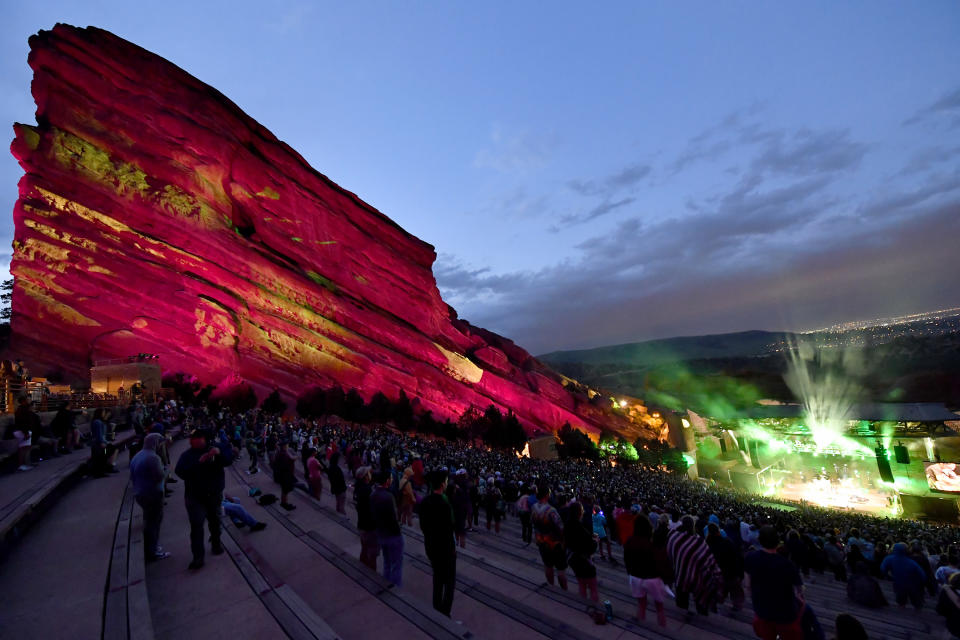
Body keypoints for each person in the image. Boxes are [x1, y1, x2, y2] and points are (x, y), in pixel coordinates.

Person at [175, 428, 234, 570]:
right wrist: (198, 463)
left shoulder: (216, 448)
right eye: (193, 439)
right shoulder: (187, 455)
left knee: (215, 521)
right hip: (195, 497)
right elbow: (180, 471)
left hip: (214, 494)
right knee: (196, 526)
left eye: (198, 438)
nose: (194, 441)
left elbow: (229, 459)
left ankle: (216, 544)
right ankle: (198, 557)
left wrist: (219, 455)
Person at [744, 525, 804, 640]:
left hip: (762, 609)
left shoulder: (750, 557)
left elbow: (747, 585)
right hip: (786, 613)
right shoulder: (788, 565)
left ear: (760, 541)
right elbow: (799, 590)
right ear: (778, 542)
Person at [667, 515, 723, 616]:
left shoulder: (674, 537)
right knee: (699, 594)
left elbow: (670, 553)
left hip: (680, 574)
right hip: (695, 576)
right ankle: (700, 612)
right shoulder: (699, 542)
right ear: (693, 526)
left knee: (681, 598)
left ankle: (683, 613)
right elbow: (708, 560)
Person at [419, 469, 457, 616]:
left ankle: (436, 609)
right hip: (446, 550)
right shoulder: (444, 504)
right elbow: (449, 529)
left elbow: (423, 526)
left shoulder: (425, 501)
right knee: (449, 582)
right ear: (442, 484)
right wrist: (452, 549)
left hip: (431, 546)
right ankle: (445, 612)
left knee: (437, 578)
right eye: (446, 481)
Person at [129, 433, 170, 562]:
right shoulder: (153, 458)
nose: (162, 446)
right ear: (156, 443)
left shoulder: (138, 455)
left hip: (140, 494)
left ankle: (151, 549)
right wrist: (166, 470)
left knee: (149, 521)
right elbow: (160, 476)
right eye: (161, 443)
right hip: (152, 495)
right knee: (154, 523)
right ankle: (153, 551)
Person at [624, 512, 669, 627]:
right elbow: (657, 563)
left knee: (641, 605)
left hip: (635, 576)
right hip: (651, 578)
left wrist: (630, 572)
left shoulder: (630, 541)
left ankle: (641, 629)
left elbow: (626, 560)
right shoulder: (650, 544)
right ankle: (662, 632)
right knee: (659, 608)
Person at [531, 485, 568, 590]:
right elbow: (560, 527)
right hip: (554, 543)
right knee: (560, 570)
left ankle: (551, 587)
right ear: (547, 495)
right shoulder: (551, 510)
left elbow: (533, 522)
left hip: (541, 541)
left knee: (548, 565)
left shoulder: (533, 507)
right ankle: (564, 591)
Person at [371, 470, 404, 586]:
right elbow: (394, 517)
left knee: (387, 562)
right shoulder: (388, 497)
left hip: (381, 533)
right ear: (387, 481)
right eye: (390, 478)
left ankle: (385, 583)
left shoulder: (373, 494)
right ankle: (395, 588)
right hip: (393, 534)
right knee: (396, 564)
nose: (392, 480)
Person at [707, 521, 745, 611]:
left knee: (718, 592)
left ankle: (713, 606)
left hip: (718, 574)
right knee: (735, 592)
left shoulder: (708, 543)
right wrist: (740, 573)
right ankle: (736, 607)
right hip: (730, 573)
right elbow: (737, 558)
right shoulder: (727, 542)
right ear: (718, 531)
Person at [565, 502, 599, 602]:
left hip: (572, 560)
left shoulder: (567, 524)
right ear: (579, 513)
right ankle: (595, 608)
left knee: (581, 584)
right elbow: (590, 548)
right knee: (593, 588)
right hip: (583, 561)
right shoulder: (580, 529)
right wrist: (595, 541)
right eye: (582, 510)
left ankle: (583, 605)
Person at [880, 542, 927, 610]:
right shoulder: (911, 562)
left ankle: (902, 611)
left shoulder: (889, 559)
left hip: (898, 583)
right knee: (916, 601)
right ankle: (918, 610)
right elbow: (922, 575)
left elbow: (882, 569)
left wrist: (888, 576)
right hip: (912, 584)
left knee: (901, 600)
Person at [353, 466, 379, 571]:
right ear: (365, 476)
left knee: (364, 549)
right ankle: (372, 578)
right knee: (372, 554)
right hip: (370, 526)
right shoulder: (367, 490)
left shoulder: (358, 488)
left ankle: (362, 571)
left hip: (362, 524)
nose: (370, 474)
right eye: (368, 473)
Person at [273, 440, 297, 511]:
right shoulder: (283, 454)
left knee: (285, 490)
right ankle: (284, 504)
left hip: (283, 474)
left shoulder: (280, 452)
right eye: (287, 445)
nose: (288, 446)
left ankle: (284, 503)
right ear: (284, 446)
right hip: (285, 475)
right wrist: (294, 458)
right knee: (285, 490)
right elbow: (289, 461)